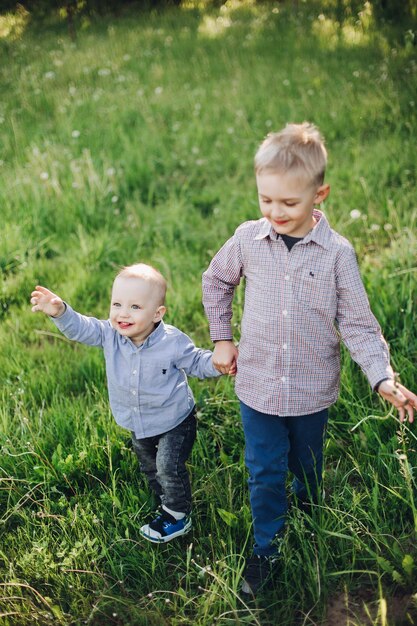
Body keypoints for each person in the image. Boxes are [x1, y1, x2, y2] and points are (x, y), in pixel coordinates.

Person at [202, 122, 417, 597]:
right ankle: (267, 548)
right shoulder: (246, 240)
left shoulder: (339, 255)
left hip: (311, 388)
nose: (275, 212)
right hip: (257, 384)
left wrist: (381, 377)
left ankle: (308, 511)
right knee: (263, 468)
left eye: (288, 202)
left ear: (320, 194)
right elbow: (216, 281)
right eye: (266, 200)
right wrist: (222, 338)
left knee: (306, 463)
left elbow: (358, 323)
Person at [31, 263, 222, 543]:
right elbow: (83, 328)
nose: (122, 313)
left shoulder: (172, 342)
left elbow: (196, 361)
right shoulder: (110, 334)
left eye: (134, 307)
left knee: (168, 465)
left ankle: (178, 515)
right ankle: (164, 500)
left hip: (174, 420)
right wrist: (61, 312)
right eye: (117, 303)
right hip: (136, 420)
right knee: (150, 466)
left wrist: (219, 362)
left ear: (157, 313)